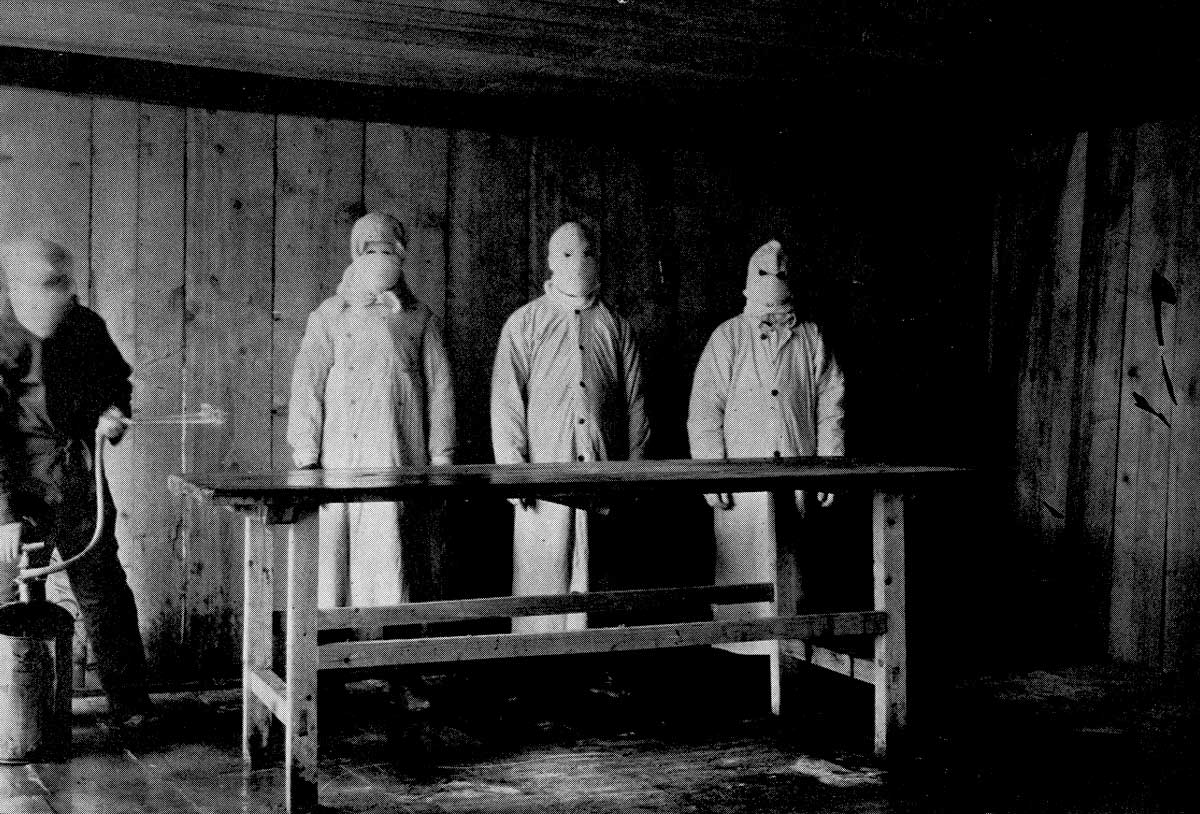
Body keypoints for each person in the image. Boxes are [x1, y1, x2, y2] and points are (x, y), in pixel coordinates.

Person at [0, 238, 152, 730]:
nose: (56, 296)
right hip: (19, 482)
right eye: (43, 286)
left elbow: (116, 383)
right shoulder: (1, 336)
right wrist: (4, 515)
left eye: (62, 286)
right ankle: (13, 712)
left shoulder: (86, 327)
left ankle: (130, 705)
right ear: (16, 287)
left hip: (80, 476)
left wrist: (113, 413)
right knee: (12, 593)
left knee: (103, 589)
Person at [687, 239, 845, 674]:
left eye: (781, 274)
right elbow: (705, 410)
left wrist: (830, 468)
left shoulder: (810, 338)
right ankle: (741, 660)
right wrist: (712, 475)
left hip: (797, 470)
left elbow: (832, 406)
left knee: (795, 567)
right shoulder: (729, 337)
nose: (773, 281)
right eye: (764, 274)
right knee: (743, 565)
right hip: (741, 483)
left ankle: (793, 660)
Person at [287, 212, 455, 610]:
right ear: (356, 253)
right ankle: (339, 654)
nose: (381, 258)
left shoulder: (419, 319)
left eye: (389, 251)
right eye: (371, 250)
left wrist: (442, 454)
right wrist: (306, 452)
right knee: (339, 559)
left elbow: (441, 389)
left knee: (392, 552)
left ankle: (390, 651)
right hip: (341, 457)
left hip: (400, 454)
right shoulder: (329, 316)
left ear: (401, 256)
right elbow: (307, 382)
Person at [491, 221, 650, 634]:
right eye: (565, 254)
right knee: (543, 576)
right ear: (549, 261)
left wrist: (635, 471)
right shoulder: (525, 323)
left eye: (586, 253)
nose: (577, 263)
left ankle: (599, 662)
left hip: (604, 472)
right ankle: (538, 662)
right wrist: (513, 472)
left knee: (601, 574)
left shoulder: (616, 326)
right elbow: (507, 403)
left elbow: (636, 404)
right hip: (542, 478)